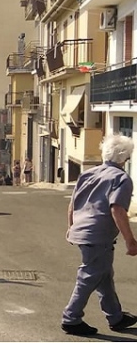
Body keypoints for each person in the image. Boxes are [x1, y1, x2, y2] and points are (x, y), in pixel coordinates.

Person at [61, 134, 137, 336]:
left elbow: (73, 204)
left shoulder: (88, 174)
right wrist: (131, 241)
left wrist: (71, 227)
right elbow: (117, 210)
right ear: (124, 159)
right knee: (89, 276)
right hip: (98, 236)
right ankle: (71, 318)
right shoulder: (121, 178)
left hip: (83, 232)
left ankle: (116, 316)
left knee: (103, 275)